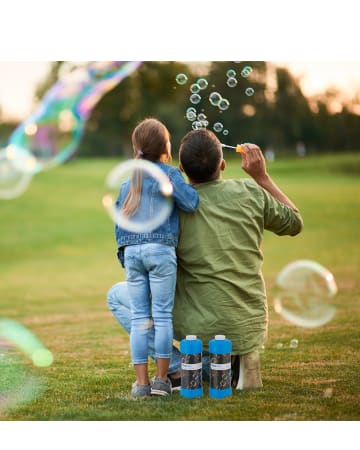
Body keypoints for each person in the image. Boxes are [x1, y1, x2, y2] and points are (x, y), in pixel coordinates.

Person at [107, 128, 303, 392]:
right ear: (222, 163)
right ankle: (228, 360)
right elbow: (294, 222)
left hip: (194, 329)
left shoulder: (174, 208)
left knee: (119, 295)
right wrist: (261, 176)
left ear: (181, 168)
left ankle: (180, 368)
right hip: (246, 326)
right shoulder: (250, 192)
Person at [113, 118, 199, 398]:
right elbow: (191, 203)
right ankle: (162, 380)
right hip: (161, 252)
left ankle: (141, 385)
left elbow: (119, 223)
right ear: (166, 147)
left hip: (133, 254)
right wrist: (181, 177)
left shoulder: (128, 183)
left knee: (140, 319)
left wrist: (126, 258)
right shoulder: (170, 175)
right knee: (161, 317)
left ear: (137, 148)